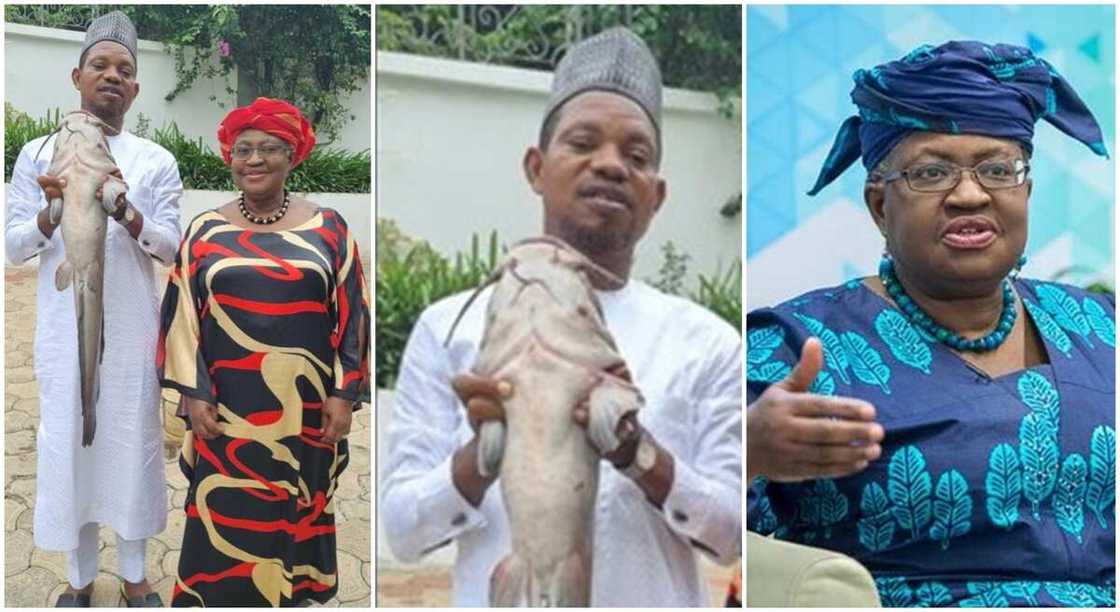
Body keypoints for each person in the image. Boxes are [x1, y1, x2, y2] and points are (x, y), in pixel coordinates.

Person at [381, 27, 742, 607]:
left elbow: (729, 538)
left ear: (658, 193)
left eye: (636, 155)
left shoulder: (708, 342)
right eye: (582, 143)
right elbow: (402, 531)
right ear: (535, 167)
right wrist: (481, 455)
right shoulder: (450, 327)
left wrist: (638, 453)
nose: (610, 165)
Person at [746, 41, 1115, 606]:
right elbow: (689, 518)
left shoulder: (1101, 328)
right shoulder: (798, 348)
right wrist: (746, 451)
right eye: (931, 172)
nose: (969, 194)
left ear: (1026, 192)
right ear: (879, 207)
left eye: (997, 169)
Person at [157, 97, 370, 606]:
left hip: (306, 409)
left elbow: (354, 313)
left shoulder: (330, 228)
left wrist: (344, 394)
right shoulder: (204, 231)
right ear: (229, 158)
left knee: (297, 507)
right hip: (227, 409)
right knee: (227, 506)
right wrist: (195, 394)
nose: (254, 159)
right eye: (243, 149)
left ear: (292, 156)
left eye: (269, 148)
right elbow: (180, 316)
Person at [5, 11, 182, 607]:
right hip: (61, 331)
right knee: (69, 447)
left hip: (131, 332)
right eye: (100, 66)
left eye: (124, 70)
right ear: (77, 75)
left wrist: (126, 208)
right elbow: (12, 246)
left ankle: (134, 576)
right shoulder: (36, 153)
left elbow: (172, 245)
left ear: (135, 89)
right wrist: (52, 209)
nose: (112, 76)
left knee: (130, 444)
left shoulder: (154, 160)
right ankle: (80, 580)